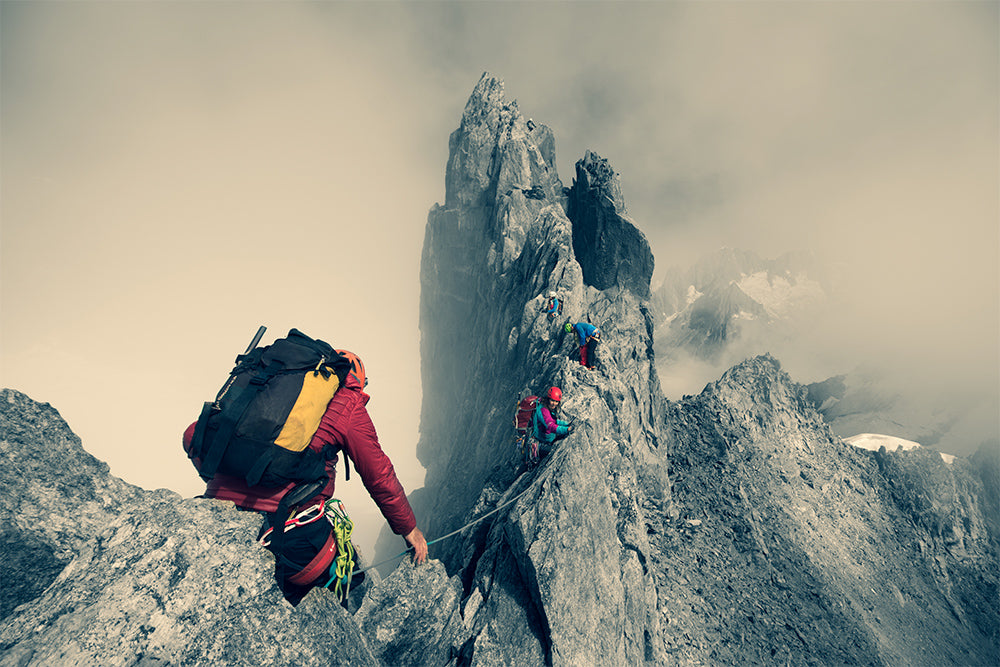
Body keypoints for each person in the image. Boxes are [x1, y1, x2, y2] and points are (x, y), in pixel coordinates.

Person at [183, 349, 427, 604]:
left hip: (216, 512)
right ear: (356, 379)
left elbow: (192, 436)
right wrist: (409, 528)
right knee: (350, 576)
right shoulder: (348, 402)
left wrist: (227, 481)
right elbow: (379, 474)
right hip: (288, 533)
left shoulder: (265, 386)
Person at [532, 386, 573, 459]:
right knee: (556, 452)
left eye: (556, 401)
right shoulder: (543, 411)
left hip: (548, 438)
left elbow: (554, 420)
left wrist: (566, 423)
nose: (554, 403)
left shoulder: (547, 407)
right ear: (548, 399)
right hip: (542, 441)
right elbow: (551, 426)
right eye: (552, 400)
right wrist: (566, 430)